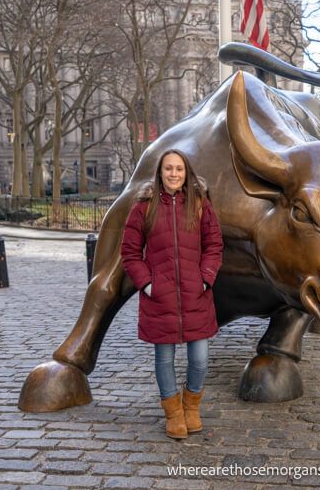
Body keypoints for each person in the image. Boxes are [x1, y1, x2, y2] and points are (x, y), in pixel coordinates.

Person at [121, 149, 223, 440]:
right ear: (160, 172)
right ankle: (174, 414)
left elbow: (214, 245)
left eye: (179, 169)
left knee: (200, 359)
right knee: (164, 359)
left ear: (186, 172)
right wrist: (147, 284)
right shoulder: (144, 206)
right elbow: (129, 252)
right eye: (169, 169)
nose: (174, 174)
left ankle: (191, 407)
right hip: (160, 298)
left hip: (196, 295)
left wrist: (205, 279)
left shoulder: (200, 204)